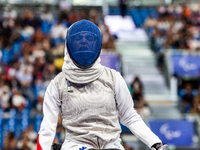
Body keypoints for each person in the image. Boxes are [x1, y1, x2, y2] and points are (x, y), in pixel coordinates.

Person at [37, 20, 167, 150]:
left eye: (89, 38)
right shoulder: (57, 84)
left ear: (97, 43)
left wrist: (155, 143)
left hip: (112, 145)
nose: (83, 41)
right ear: (69, 43)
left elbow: (130, 117)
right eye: (78, 38)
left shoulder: (113, 78)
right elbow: (48, 126)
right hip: (75, 145)